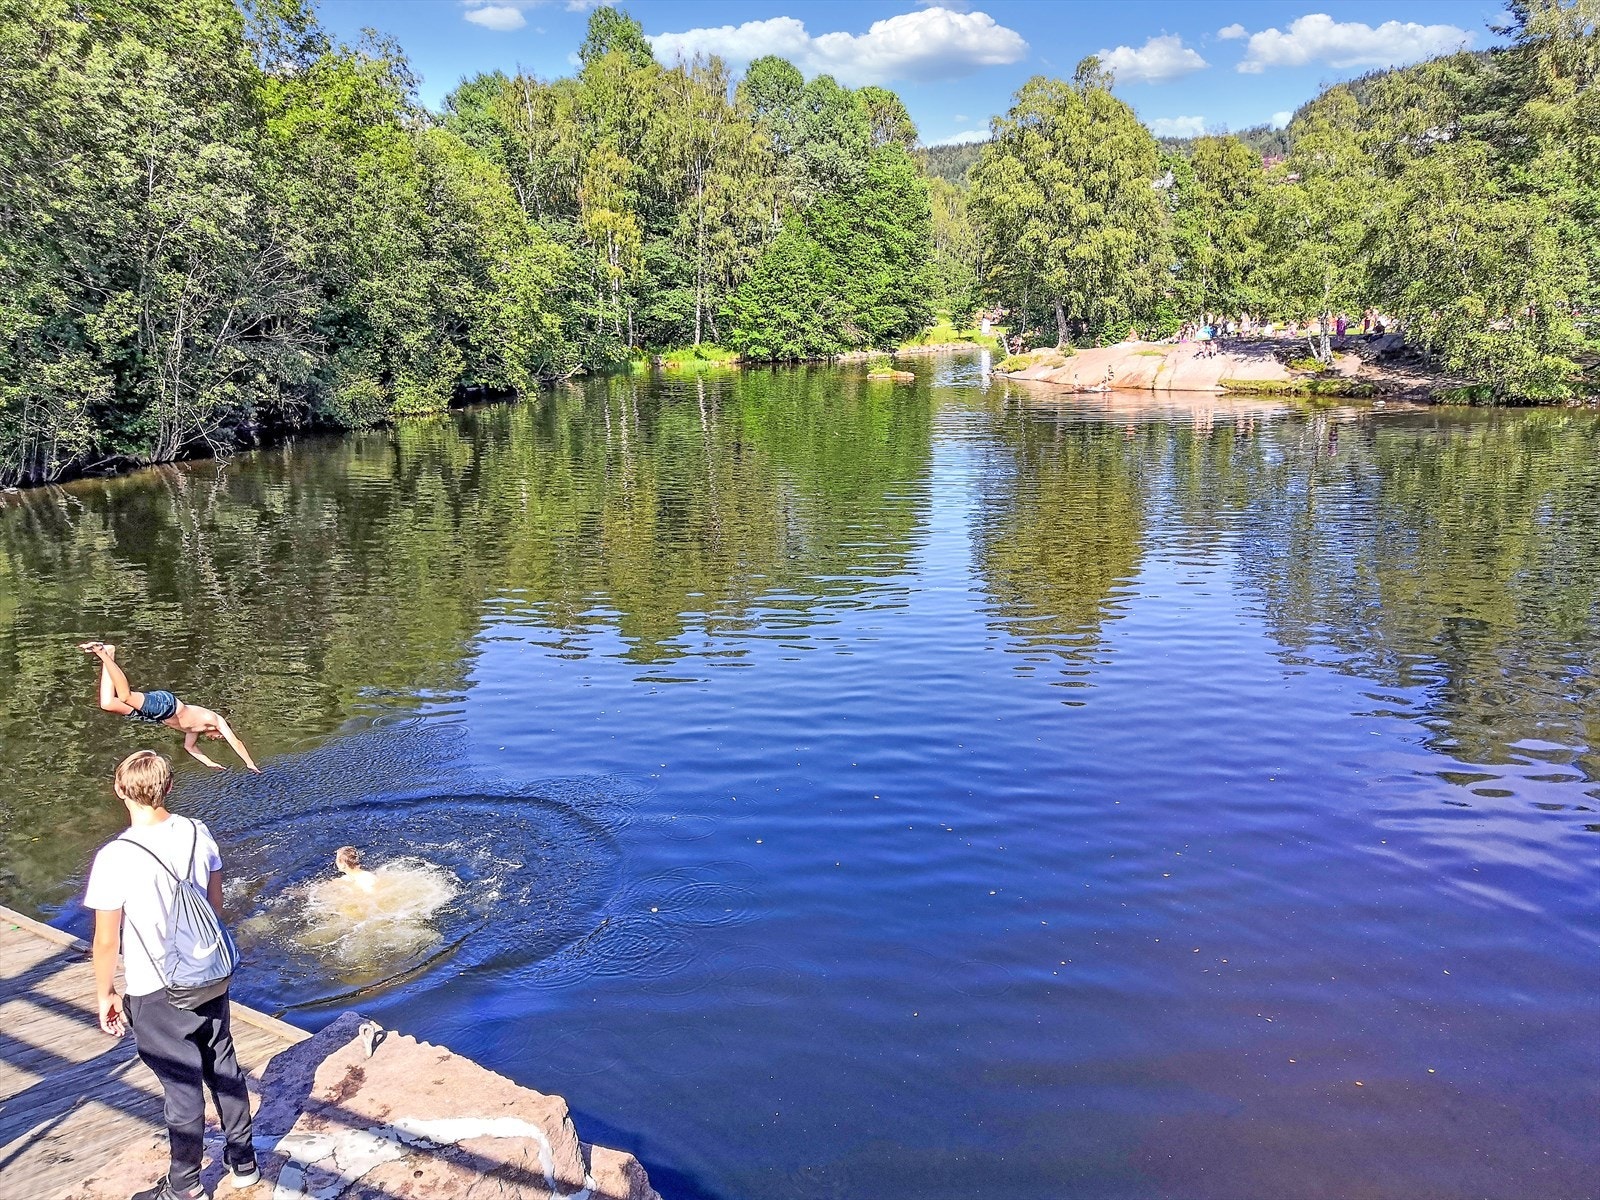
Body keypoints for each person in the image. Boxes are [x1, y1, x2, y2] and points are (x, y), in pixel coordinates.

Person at [86, 750, 259, 1199]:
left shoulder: (114, 857)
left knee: (181, 1087)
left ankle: (183, 1188)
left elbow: (106, 940)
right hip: (209, 971)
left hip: (156, 988)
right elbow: (214, 905)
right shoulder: (198, 832)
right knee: (223, 1063)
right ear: (168, 787)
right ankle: (244, 1162)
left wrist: (105, 992)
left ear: (121, 790)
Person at [80, 642, 259, 772]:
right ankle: (103, 652)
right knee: (125, 695)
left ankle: (108, 655)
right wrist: (249, 763)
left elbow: (190, 748)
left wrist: (208, 762)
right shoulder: (216, 720)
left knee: (108, 703)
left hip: (157, 716)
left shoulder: (194, 731)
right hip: (166, 706)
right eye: (218, 738)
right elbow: (236, 742)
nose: (216, 739)